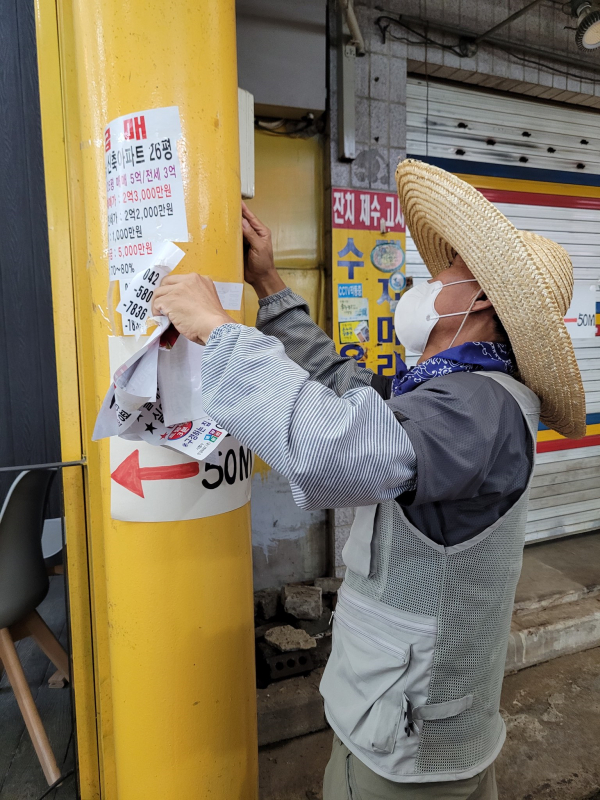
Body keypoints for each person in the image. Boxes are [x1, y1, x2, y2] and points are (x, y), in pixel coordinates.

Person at [151, 160, 585, 800]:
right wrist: (269, 285)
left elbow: (333, 449)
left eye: (444, 274)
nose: (425, 283)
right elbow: (345, 390)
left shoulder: (475, 406)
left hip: (404, 746)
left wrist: (218, 333)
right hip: (428, 721)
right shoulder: (459, 394)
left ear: (481, 298)